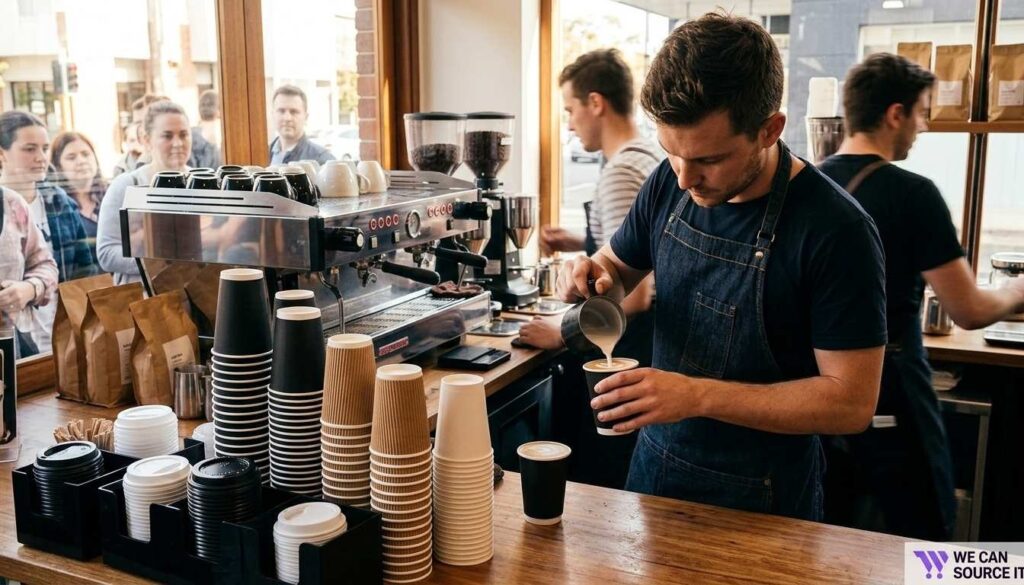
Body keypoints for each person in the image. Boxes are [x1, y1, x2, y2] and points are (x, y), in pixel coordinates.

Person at [556, 13, 888, 521]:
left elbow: (850, 403)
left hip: (764, 501)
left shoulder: (836, 230)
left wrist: (696, 395)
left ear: (769, 129)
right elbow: (617, 269)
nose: (686, 178)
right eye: (671, 152)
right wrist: (592, 272)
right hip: (656, 471)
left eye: (709, 159)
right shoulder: (669, 181)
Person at [818, 53, 1024, 540]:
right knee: (927, 535)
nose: (924, 127)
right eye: (921, 112)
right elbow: (969, 310)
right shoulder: (913, 194)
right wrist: (1015, 291)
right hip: (892, 388)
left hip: (818, 393)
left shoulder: (809, 184)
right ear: (895, 114)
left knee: (829, 540)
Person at [521, 49, 660, 360]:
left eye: (570, 110)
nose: (569, 125)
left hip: (627, 350)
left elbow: (636, 295)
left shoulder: (621, 173)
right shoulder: (647, 155)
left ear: (596, 103)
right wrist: (576, 239)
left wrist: (562, 329)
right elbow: (642, 248)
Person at [0, 112, 79, 354]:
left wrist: (30, 288)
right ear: (2, 153)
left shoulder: (48, 201)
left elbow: (74, 269)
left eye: (44, 148)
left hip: (34, 335)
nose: (41, 158)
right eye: (29, 149)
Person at [97, 100, 192, 285]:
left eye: (183, 134)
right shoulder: (125, 186)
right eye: (167, 136)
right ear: (146, 140)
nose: (178, 143)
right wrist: (163, 263)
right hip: (143, 303)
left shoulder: (202, 183)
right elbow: (106, 252)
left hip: (195, 300)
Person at [50, 131, 107, 239]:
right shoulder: (55, 206)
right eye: (71, 157)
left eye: (86, 154)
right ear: (59, 166)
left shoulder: (110, 196)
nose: (81, 161)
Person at [268, 85, 335, 166]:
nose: (287, 118)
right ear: (272, 115)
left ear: (306, 117)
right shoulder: (259, 155)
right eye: (281, 111)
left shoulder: (323, 161)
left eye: (294, 112)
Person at [189, 89, 222, 169]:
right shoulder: (223, 132)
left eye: (210, 104)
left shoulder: (190, 133)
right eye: (203, 104)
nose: (206, 107)